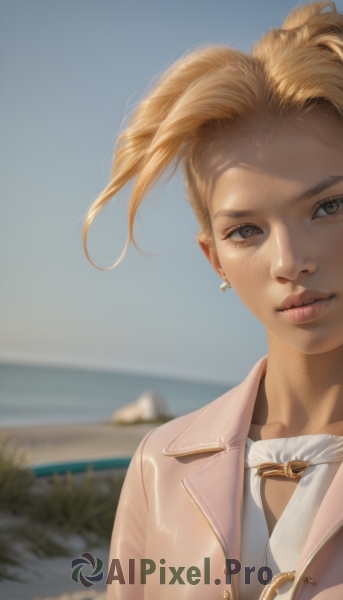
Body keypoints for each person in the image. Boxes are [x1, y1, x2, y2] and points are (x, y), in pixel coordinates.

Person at [83, 2, 343, 598]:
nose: (289, 262)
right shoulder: (160, 463)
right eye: (245, 230)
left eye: (329, 207)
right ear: (214, 258)